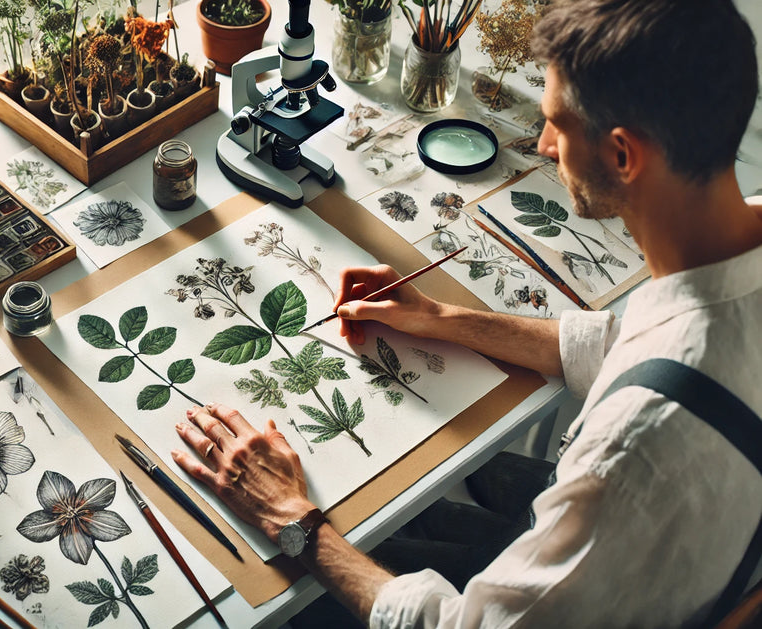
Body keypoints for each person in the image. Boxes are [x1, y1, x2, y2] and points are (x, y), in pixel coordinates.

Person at [170, 0, 762, 625]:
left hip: (638, 576)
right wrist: (438, 319)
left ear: (623, 156)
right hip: (704, 526)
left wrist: (291, 520)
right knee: (404, 501)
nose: (542, 143)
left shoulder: (628, 453)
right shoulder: (733, 238)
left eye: (557, 123)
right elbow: (640, 344)